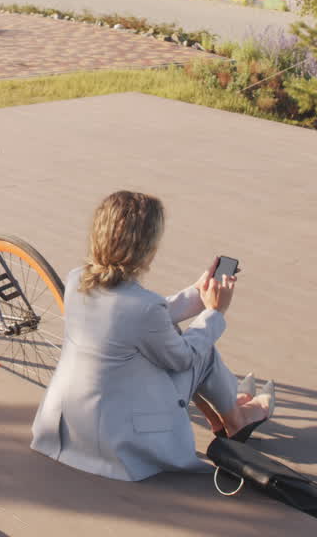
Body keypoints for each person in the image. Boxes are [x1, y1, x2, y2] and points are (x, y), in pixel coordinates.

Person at [30, 190, 275, 482]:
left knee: (182, 336)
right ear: (148, 249)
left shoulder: (76, 280)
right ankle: (236, 419)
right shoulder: (144, 309)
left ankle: (228, 413)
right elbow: (182, 359)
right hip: (118, 442)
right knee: (201, 349)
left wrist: (197, 293)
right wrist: (215, 312)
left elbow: (130, 320)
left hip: (64, 427)